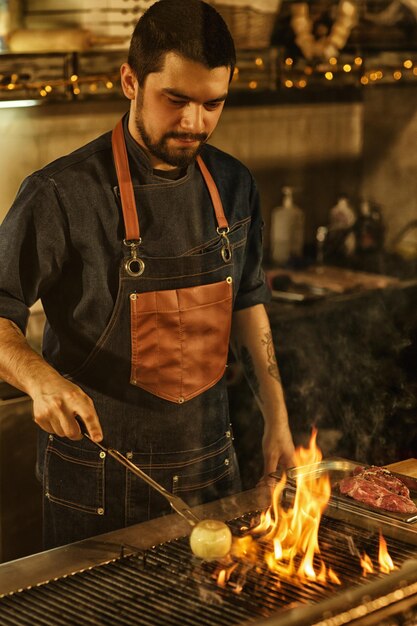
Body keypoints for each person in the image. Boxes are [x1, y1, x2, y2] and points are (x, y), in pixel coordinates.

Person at [0, 0, 295, 550]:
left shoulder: (233, 184)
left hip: (213, 471)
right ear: (130, 80)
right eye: (176, 100)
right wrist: (39, 379)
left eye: (213, 105)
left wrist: (277, 419)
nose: (193, 123)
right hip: (100, 486)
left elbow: (247, 298)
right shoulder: (62, 193)